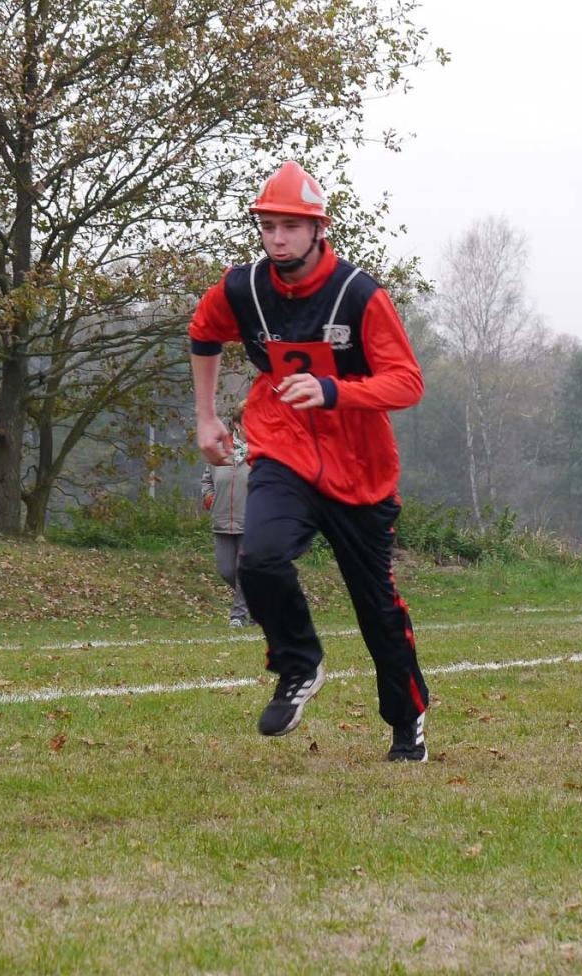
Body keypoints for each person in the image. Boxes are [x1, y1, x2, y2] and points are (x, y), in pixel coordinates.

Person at [189, 161, 431, 762]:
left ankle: (407, 725)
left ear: (318, 229)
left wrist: (334, 391)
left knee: (377, 611)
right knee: (260, 558)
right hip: (282, 449)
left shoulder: (359, 295)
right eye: (268, 225)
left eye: (290, 226)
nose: (277, 238)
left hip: (360, 471)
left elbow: (407, 382)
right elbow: (203, 332)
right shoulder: (243, 287)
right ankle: (299, 664)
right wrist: (207, 416)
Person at [200, 406, 253, 627]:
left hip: (252, 520)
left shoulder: (263, 451)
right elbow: (206, 480)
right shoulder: (219, 450)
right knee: (226, 570)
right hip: (222, 518)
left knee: (244, 569)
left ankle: (237, 616)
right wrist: (211, 499)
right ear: (237, 424)